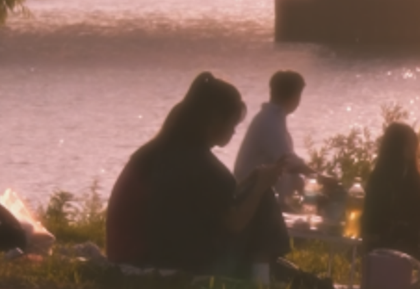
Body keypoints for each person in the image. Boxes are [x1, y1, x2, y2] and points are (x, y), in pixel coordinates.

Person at [106, 71, 289, 277]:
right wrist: (261, 187)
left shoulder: (163, 151)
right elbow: (234, 223)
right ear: (214, 121)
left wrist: (249, 183)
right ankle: (262, 282)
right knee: (262, 200)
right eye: (232, 124)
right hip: (157, 259)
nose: (233, 132)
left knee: (256, 195)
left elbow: (202, 205)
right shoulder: (200, 163)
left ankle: (269, 274)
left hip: (129, 253)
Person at [360, 121, 420, 271]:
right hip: (391, 245)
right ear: (398, 146)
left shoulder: (412, 177)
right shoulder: (382, 179)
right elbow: (374, 220)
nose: (414, 149)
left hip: (412, 242)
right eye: (410, 144)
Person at [234, 69, 310, 204]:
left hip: (257, 196)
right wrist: (318, 176)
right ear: (295, 97)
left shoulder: (272, 118)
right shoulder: (270, 121)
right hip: (248, 198)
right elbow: (287, 161)